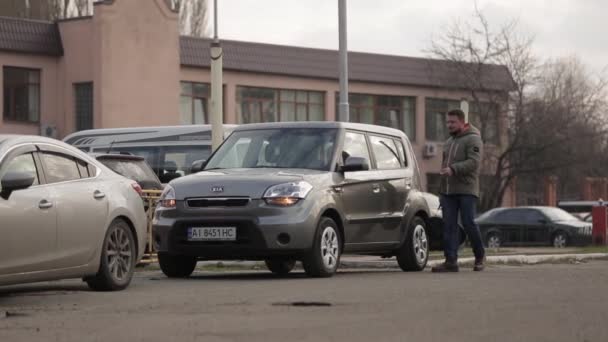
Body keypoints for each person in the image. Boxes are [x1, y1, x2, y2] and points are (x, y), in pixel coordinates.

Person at [432, 109, 486, 272]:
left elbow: (474, 162)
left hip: (467, 189)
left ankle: (479, 256)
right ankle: (450, 261)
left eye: (452, 122)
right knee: (449, 226)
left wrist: (454, 169)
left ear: (462, 122)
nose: (449, 125)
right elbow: (444, 167)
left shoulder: (473, 139)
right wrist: (441, 189)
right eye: (447, 122)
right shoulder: (449, 142)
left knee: (468, 223)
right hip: (448, 191)